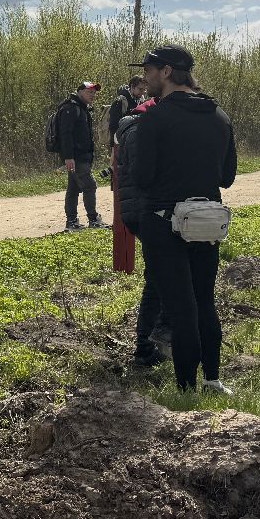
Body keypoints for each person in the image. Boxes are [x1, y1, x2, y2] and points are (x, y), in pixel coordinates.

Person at [129, 44, 238, 393]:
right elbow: (227, 176)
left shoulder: (155, 119)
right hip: (206, 219)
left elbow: (142, 178)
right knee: (204, 299)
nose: (145, 77)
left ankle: (187, 388)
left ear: (166, 72)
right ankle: (213, 380)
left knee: (180, 305)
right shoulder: (219, 116)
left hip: (164, 221)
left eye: (148, 69)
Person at [112, 94, 171, 367]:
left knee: (158, 277)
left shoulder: (139, 125)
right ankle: (147, 348)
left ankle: (152, 345)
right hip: (144, 210)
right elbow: (144, 174)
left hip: (143, 209)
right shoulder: (138, 128)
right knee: (158, 280)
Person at [56, 82, 105, 232]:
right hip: (77, 157)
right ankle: (93, 219)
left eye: (94, 93)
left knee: (73, 188)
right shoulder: (70, 108)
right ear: (80, 92)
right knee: (90, 185)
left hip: (82, 157)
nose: (93, 95)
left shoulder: (81, 109)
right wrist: (69, 157)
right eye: (89, 92)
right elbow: (66, 135)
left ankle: (72, 221)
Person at [108, 75, 146, 149]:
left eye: (144, 89)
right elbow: (113, 126)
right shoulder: (120, 101)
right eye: (140, 89)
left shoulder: (141, 101)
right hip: (120, 144)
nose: (143, 92)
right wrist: (116, 145)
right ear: (132, 87)